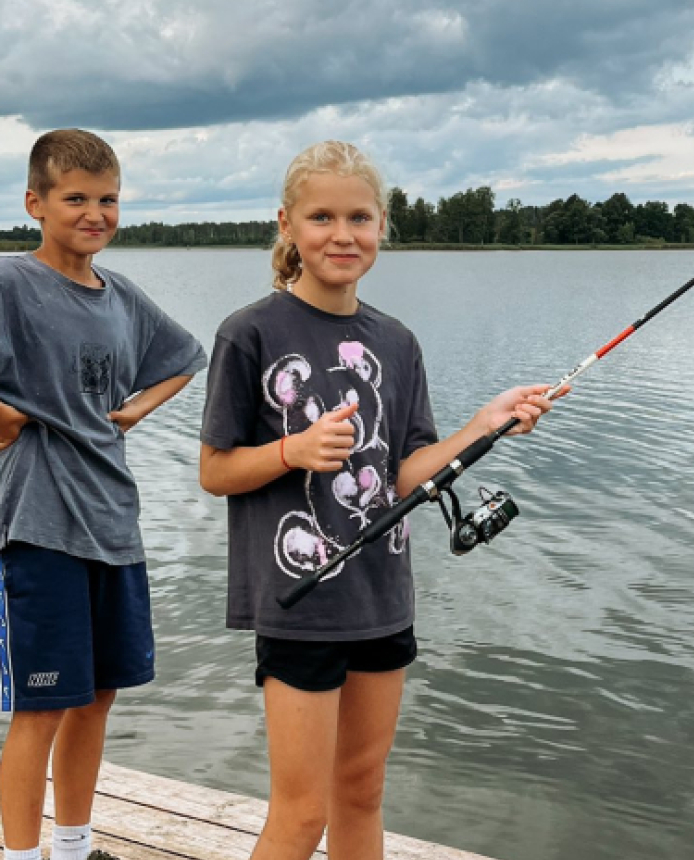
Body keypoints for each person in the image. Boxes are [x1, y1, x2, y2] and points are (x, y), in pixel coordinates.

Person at [198, 140, 563, 860]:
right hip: (301, 603)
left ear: (382, 226)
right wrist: (291, 451)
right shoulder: (249, 333)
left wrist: (483, 424)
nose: (342, 235)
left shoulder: (397, 342)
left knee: (361, 793)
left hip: (382, 599)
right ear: (287, 224)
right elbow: (214, 471)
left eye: (359, 218)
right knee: (301, 814)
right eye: (322, 217)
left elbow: (405, 476)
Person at [0, 129, 207, 860]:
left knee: (97, 697)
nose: (95, 214)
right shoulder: (6, 285)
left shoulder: (122, 297)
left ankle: (75, 849)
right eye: (76, 198)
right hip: (39, 526)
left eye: (108, 199)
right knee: (43, 705)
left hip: (114, 525)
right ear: (35, 203)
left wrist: (135, 411)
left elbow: (186, 356)